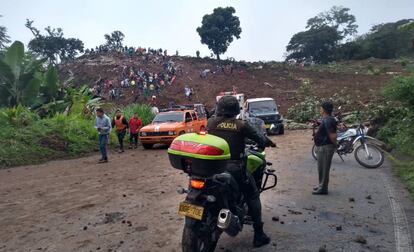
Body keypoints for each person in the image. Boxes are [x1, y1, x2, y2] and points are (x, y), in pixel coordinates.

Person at [207, 96, 276, 248]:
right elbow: (260, 139)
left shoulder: (210, 122)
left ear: (219, 108)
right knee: (252, 194)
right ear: (236, 110)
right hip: (234, 169)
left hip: (212, 168)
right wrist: (268, 142)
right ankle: (259, 234)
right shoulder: (241, 125)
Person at [312, 101, 338, 195]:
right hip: (322, 147)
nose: (320, 109)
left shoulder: (328, 120)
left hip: (326, 147)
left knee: (324, 168)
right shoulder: (326, 119)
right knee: (321, 168)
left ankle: (323, 188)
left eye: (321, 108)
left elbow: (332, 135)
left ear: (323, 109)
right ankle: (321, 185)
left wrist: (335, 145)